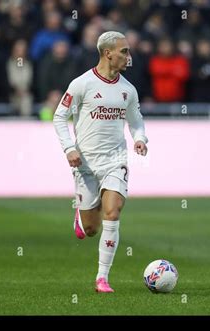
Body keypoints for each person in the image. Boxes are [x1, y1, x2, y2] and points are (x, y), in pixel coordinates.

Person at [53, 31, 148, 293]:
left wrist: (140, 138)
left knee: (113, 212)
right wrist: (69, 149)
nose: (129, 57)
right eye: (124, 51)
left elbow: (136, 120)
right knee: (92, 228)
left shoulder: (128, 89)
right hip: (84, 164)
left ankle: (102, 278)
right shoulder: (82, 84)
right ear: (108, 53)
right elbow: (59, 117)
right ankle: (81, 217)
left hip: (116, 159)